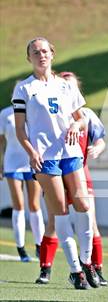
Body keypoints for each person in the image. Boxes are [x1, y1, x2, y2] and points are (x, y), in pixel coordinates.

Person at [12, 37, 99, 290]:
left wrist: (75, 124)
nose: (41, 55)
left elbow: (82, 119)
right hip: (44, 158)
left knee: (83, 204)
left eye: (45, 51)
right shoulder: (24, 89)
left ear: (53, 54)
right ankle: (75, 271)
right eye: (35, 52)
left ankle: (87, 262)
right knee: (59, 212)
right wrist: (31, 152)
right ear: (29, 58)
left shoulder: (66, 86)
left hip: (70, 153)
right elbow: (20, 130)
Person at [34, 71, 108, 286]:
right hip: (55, 169)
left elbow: (101, 139)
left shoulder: (86, 115)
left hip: (79, 172)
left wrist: (98, 149)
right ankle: (45, 269)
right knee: (54, 220)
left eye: (70, 85)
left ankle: (96, 269)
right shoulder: (49, 112)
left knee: (91, 220)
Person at [0, 104, 44, 262]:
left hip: (32, 162)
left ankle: (40, 246)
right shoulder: (5, 113)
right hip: (12, 163)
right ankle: (21, 248)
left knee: (34, 204)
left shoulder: (35, 111)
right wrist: (0, 163)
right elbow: (1, 142)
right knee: (18, 205)